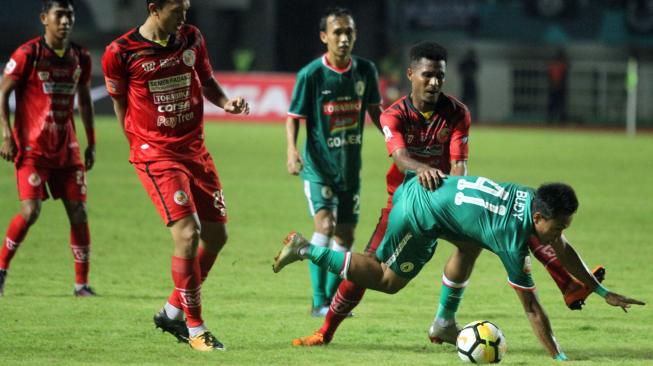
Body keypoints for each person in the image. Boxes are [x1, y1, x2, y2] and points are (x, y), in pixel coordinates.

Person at [290, 41, 602, 348]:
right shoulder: (394, 115)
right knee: (372, 269)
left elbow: (459, 165)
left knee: (486, 240)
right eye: (427, 75)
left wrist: (457, 205)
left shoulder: (456, 112)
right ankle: (325, 331)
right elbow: (399, 156)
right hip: (405, 203)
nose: (434, 82)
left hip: (448, 198)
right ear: (411, 74)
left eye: (440, 75)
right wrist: (421, 168)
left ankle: (445, 322)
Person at [273, 174, 645, 360]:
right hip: (416, 212)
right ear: (538, 216)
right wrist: (559, 357)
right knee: (385, 279)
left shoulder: (531, 199)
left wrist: (601, 292)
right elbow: (532, 308)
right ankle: (306, 249)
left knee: (469, 245)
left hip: (435, 197)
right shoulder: (511, 239)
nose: (560, 234)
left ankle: (443, 323)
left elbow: (563, 248)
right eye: (559, 226)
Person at [102, 0, 249, 352]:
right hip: (157, 154)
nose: (184, 17)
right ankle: (196, 328)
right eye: (177, 10)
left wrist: (226, 102)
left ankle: (171, 311)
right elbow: (119, 101)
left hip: (195, 149)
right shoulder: (120, 52)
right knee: (187, 234)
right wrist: (135, 143)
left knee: (217, 235)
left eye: (186, 9)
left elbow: (207, 79)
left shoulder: (191, 38)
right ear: (154, 8)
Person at [285, 7, 383, 317]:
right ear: (324, 37)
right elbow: (293, 117)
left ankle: (328, 299)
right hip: (319, 168)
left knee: (345, 236)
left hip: (349, 168)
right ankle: (318, 301)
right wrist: (291, 150)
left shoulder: (366, 71)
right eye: (337, 32)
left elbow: (376, 112)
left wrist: (395, 141)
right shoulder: (311, 74)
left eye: (349, 32)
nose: (343, 39)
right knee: (325, 226)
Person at [0, 0, 96, 297]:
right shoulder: (28, 54)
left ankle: (81, 285)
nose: (65, 21)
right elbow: (2, 93)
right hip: (32, 149)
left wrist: (91, 141)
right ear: (45, 18)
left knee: (78, 212)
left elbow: (85, 100)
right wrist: (5, 134)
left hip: (67, 149)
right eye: (60, 15)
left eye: (70, 15)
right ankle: (1, 270)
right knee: (30, 211)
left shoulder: (80, 56)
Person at [547, 49, 568, 124]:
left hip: (556, 87)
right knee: (556, 104)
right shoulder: (558, 65)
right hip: (557, 87)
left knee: (557, 104)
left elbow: (564, 75)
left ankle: (558, 119)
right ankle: (553, 119)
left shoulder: (557, 65)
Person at [458, 48, 478, 118]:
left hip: (470, 83)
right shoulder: (465, 62)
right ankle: (463, 117)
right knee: (465, 102)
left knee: (473, 102)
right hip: (466, 83)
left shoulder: (473, 62)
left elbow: (475, 70)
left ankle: (474, 118)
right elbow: (460, 70)